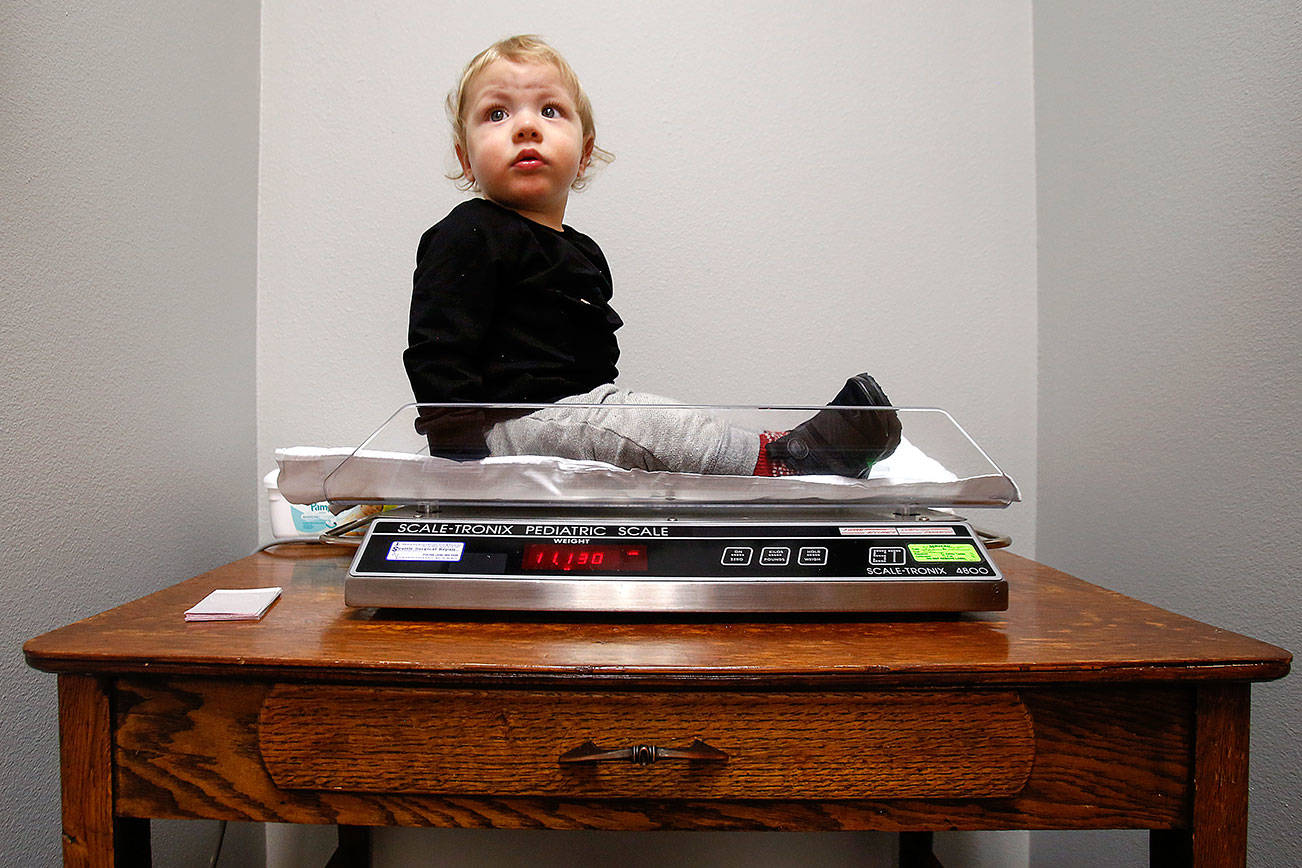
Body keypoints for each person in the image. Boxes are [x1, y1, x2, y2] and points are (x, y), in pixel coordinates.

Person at [403, 35, 899, 478]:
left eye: (549, 111)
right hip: (500, 428)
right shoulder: (467, 232)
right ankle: (782, 461)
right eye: (497, 114)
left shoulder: (583, 252)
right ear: (466, 158)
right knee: (645, 423)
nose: (526, 127)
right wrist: (457, 455)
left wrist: (604, 413)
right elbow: (437, 345)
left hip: (573, 410)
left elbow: (591, 359)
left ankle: (772, 452)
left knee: (642, 418)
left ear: (585, 150)